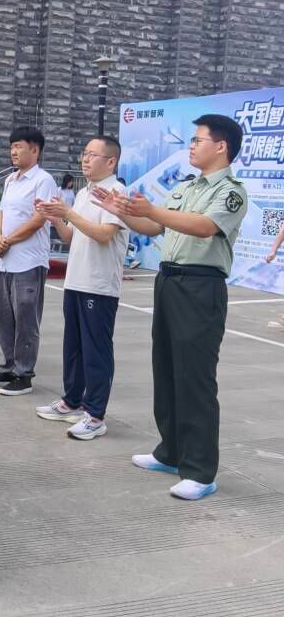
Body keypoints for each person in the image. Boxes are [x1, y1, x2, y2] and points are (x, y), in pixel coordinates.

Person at [96, 114, 248, 501]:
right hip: (168, 281)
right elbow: (155, 227)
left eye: (198, 140)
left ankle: (200, 471)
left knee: (195, 377)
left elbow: (204, 227)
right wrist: (121, 211)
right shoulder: (186, 187)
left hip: (201, 286)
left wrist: (150, 211)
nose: (191, 146)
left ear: (221, 146)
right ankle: (170, 451)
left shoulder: (230, 192)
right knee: (165, 369)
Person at [33, 135, 129, 440]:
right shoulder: (85, 192)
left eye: (92, 154)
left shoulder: (116, 192)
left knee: (95, 351)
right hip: (76, 281)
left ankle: (95, 415)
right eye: (84, 153)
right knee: (73, 347)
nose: (85, 159)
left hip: (98, 286)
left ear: (111, 161)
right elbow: (71, 236)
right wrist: (55, 218)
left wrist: (68, 213)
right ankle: (71, 401)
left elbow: (104, 235)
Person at [0, 126, 59, 396]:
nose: (13, 152)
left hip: (29, 262)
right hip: (6, 261)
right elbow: (1, 212)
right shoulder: (10, 180)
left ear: (34, 150)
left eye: (18, 146)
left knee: (26, 319)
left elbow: (39, 220)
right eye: (11, 147)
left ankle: (24, 374)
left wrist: (9, 240)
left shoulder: (43, 180)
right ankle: (9, 366)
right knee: (4, 317)